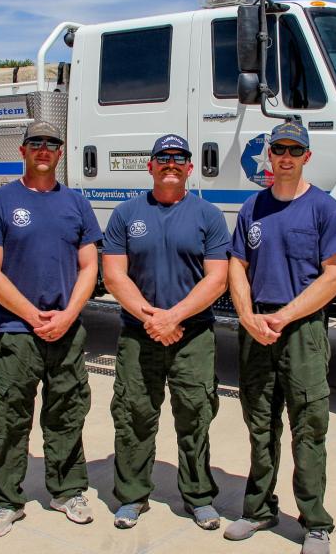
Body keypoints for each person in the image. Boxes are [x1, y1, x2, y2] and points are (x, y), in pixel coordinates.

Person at [223, 121, 336, 554]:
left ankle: (315, 522)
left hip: (302, 332)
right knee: (260, 425)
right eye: (279, 149)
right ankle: (258, 510)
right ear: (270, 156)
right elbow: (236, 266)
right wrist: (247, 316)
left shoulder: (324, 208)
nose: (287, 157)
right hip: (257, 330)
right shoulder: (251, 209)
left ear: (307, 157)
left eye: (295, 150)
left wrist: (284, 316)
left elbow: (335, 275)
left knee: (308, 428)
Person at [0, 120, 101, 537]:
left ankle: (67, 490)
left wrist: (67, 315)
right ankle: (6, 500)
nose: (44, 149)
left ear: (61, 152)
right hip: (17, 329)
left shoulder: (76, 204)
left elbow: (90, 266)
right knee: (11, 415)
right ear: (22, 150)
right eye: (36, 143)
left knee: (67, 412)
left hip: (66, 328)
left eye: (51, 143)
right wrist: (30, 314)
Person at [102, 134, 231, 530]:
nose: (171, 163)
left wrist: (173, 317)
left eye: (179, 158)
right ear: (151, 166)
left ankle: (197, 497)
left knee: (195, 415)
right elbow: (113, 275)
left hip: (192, 335)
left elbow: (218, 280)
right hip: (140, 334)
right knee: (134, 415)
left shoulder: (208, 215)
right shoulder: (125, 214)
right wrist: (152, 319)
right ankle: (132, 496)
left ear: (190, 167)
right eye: (163, 157)